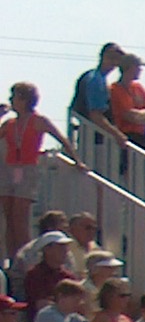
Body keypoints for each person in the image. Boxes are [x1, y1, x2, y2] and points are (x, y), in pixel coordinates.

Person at [0, 83, 85, 254]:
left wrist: (77, 161)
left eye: (14, 97)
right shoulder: (9, 123)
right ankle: (12, 258)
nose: (11, 100)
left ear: (25, 100)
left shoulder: (38, 121)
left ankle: (25, 256)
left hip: (28, 169)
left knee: (20, 218)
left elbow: (61, 139)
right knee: (9, 219)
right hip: (9, 169)